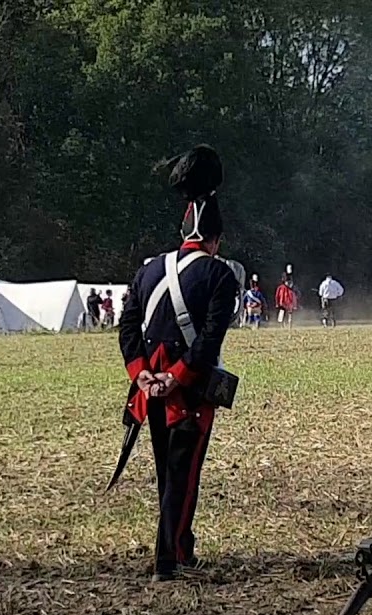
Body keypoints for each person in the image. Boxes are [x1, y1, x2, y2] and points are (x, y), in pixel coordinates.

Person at [118, 144, 239, 582]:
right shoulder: (219, 274)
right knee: (182, 476)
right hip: (185, 390)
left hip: (149, 389)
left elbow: (128, 330)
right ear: (214, 237)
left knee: (167, 472)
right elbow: (209, 340)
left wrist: (143, 376)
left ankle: (179, 546)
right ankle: (168, 559)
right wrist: (175, 378)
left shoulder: (149, 270)